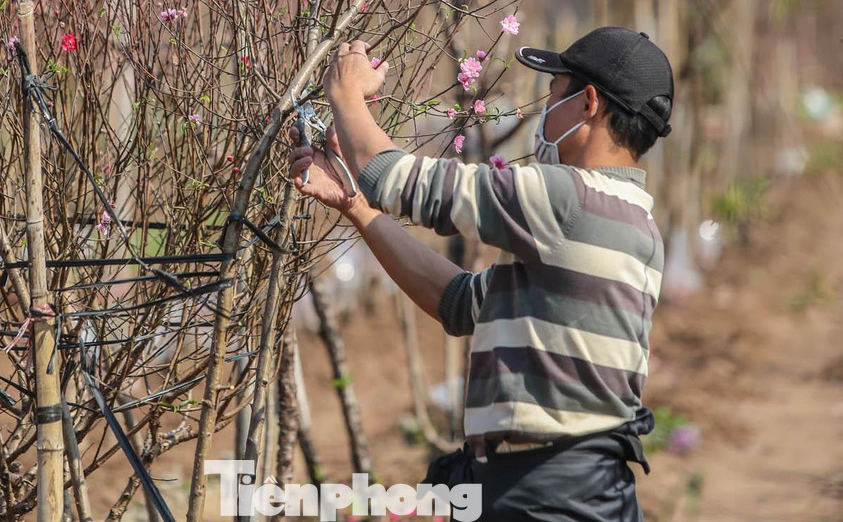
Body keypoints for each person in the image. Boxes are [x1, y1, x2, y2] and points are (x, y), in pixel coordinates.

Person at [287, 27, 673, 522]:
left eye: (553, 92)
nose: (545, 109)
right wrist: (357, 207)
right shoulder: (634, 223)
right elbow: (461, 302)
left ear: (588, 103)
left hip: (545, 495)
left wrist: (345, 92)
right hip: (577, 488)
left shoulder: (567, 198)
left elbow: (400, 181)